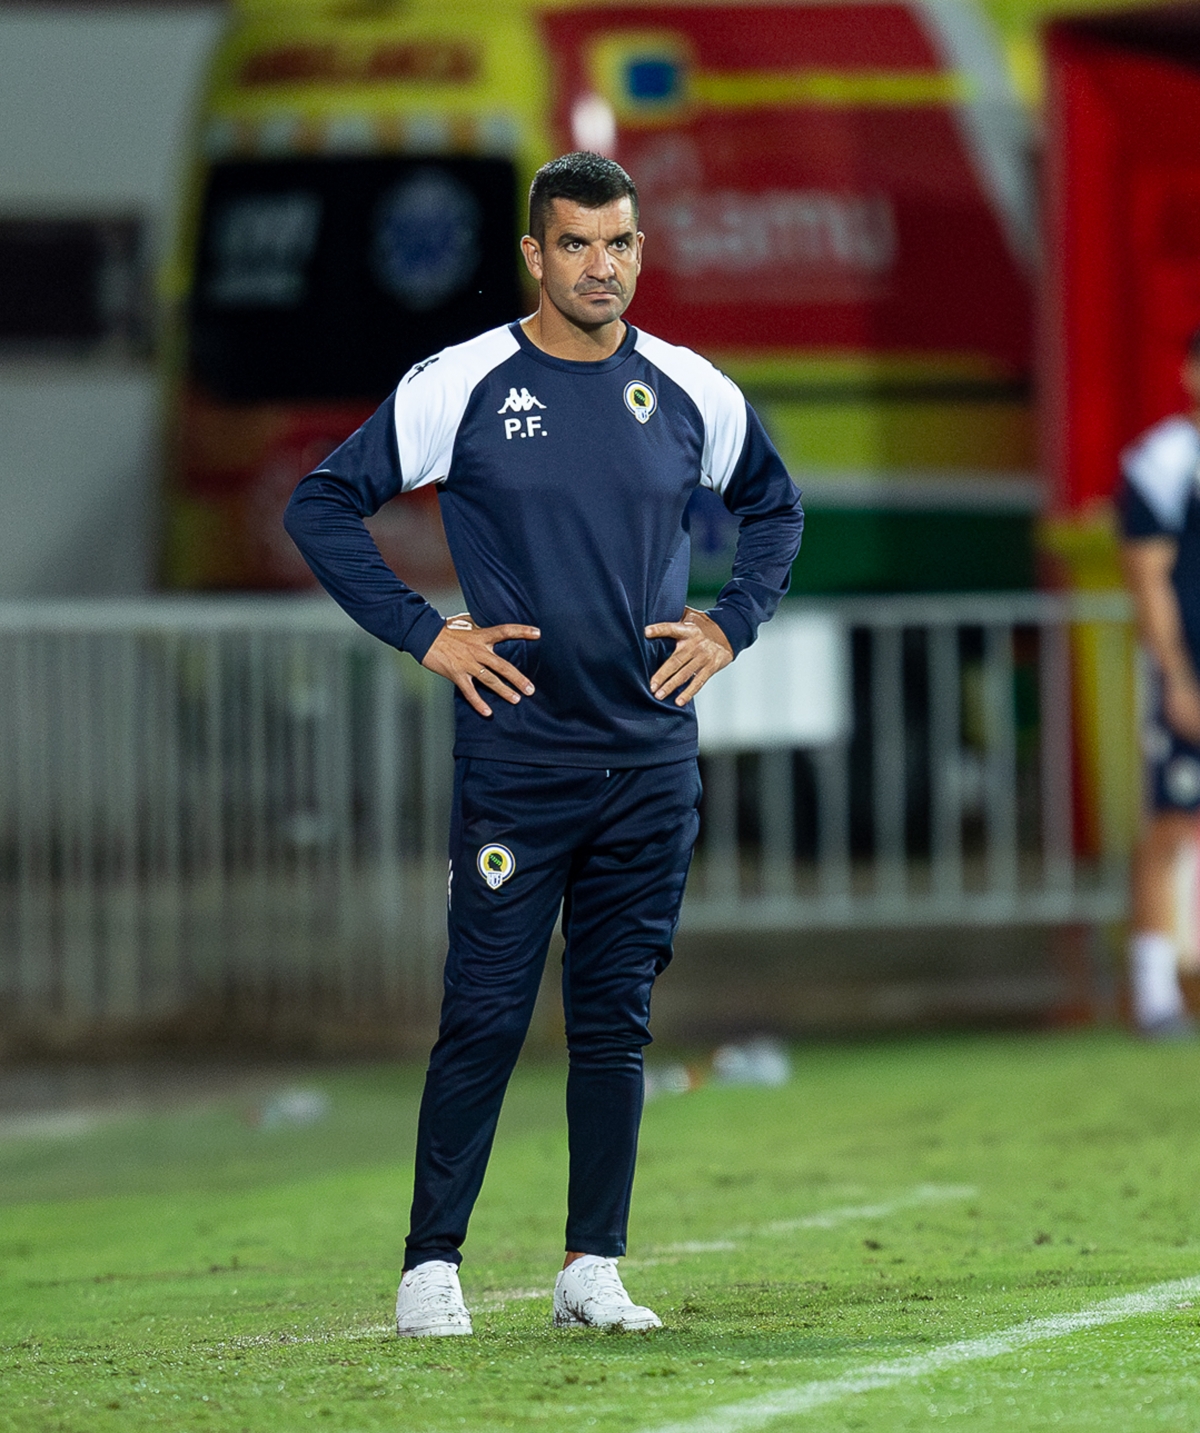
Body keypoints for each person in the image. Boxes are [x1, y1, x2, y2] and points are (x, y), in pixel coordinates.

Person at [284, 151, 803, 1334]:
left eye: (619, 244)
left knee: (616, 1014)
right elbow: (321, 501)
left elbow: (776, 505)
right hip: (519, 756)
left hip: (653, 760)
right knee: (485, 1009)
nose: (601, 266)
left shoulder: (687, 388)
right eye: (575, 244)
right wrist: (426, 634)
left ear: (638, 250)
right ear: (533, 254)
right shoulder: (461, 383)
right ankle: (432, 1265)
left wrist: (730, 622)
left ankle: (591, 1266)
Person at [1119, 329, 1200, 1037]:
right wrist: (1175, 676)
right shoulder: (1165, 462)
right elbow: (1148, 580)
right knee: (1173, 826)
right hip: (1189, 669)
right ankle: (1154, 994)